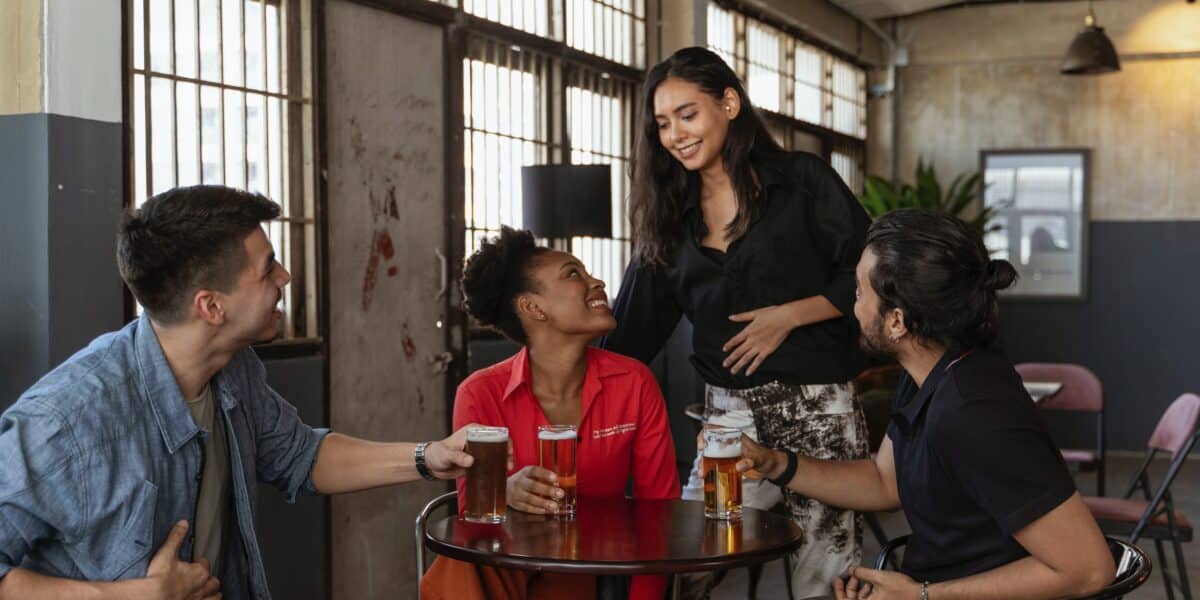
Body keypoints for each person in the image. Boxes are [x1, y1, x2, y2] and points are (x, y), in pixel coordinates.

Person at [0, 185, 492, 600]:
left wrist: (430, 457)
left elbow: (300, 455)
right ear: (211, 306)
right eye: (268, 269)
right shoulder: (69, 418)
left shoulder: (236, 368)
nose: (286, 278)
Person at [602, 46, 871, 598]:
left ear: (728, 103)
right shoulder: (667, 217)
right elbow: (629, 337)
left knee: (826, 581)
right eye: (661, 123)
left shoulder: (802, 179)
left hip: (821, 411)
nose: (674, 134)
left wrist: (789, 316)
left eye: (687, 114)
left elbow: (872, 271)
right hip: (728, 422)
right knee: (686, 565)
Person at [736, 209, 1115, 600]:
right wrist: (777, 464)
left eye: (859, 293)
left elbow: (1089, 569)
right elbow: (885, 482)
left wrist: (923, 595)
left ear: (897, 321)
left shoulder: (975, 412)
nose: (854, 308)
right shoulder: (928, 375)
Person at [420, 227, 679, 600]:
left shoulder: (634, 383)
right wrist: (503, 492)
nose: (598, 282)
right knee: (466, 559)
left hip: (595, 571)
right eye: (574, 274)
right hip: (507, 575)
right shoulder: (481, 393)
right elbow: (471, 518)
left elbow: (661, 517)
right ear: (532, 307)